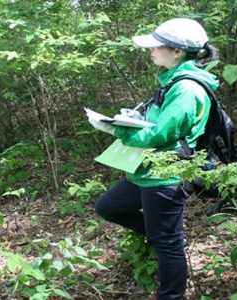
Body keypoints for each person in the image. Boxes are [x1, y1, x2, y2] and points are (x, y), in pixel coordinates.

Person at [86, 18, 220, 300]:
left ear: (177, 52)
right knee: (108, 207)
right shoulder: (174, 81)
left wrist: (118, 129)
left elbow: (161, 134)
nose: (150, 50)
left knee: (168, 245)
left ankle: (170, 294)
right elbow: (162, 124)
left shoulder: (187, 89)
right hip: (148, 170)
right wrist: (136, 118)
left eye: (156, 46)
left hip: (167, 175)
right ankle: (163, 237)